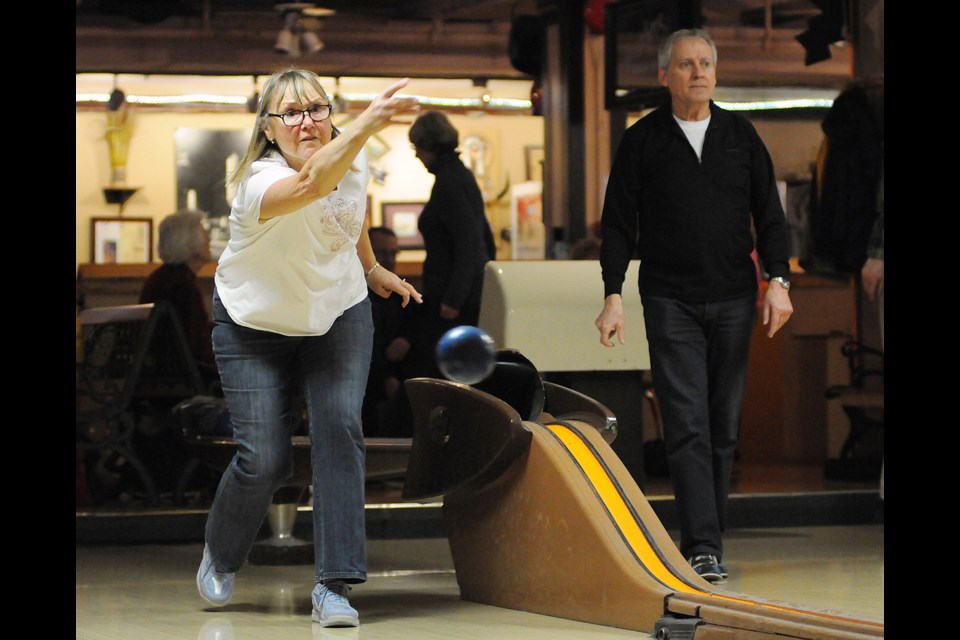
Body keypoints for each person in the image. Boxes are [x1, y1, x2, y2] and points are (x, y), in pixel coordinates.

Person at [195, 68, 421, 628]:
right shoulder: (255, 181)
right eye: (290, 114)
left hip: (337, 310)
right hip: (253, 321)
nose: (306, 122)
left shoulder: (351, 155)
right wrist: (366, 122)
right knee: (266, 459)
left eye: (316, 109)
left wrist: (370, 269)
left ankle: (335, 585)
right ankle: (222, 553)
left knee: (340, 431)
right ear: (269, 129)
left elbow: (349, 209)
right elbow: (313, 187)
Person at [594, 29, 794, 584]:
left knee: (723, 426)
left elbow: (770, 217)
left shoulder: (740, 134)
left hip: (734, 296)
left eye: (706, 63)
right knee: (687, 423)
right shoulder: (643, 141)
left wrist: (778, 280)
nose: (698, 72)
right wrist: (613, 294)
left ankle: (711, 537)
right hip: (669, 298)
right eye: (686, 64)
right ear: (665, 76)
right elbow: (617, 224)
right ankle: (702, 545)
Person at [406, 111, 496, 379]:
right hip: (466, 295)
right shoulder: (460, 175)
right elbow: (484, 239)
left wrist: (453, 298)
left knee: (444, 374)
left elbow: (468, 243)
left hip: (451, 300)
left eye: (418, 148)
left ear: (430, 146)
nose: (416, 156)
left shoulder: (449, 182)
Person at [139, 209, 218, 389]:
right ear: (190, 245)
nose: (209, 240)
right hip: (180, 383)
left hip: (161, 379)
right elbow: (195, 349)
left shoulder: (160, 279)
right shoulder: (183, 286)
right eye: (204, 234)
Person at [362, 226, 415, 437]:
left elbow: (415, 327)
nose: (390, 259)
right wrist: (385, 377)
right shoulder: (356, 293)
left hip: (397, 378)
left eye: (394, 253)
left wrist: (407, 339)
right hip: (368, 383)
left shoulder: (399, 289)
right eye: (382, 252)